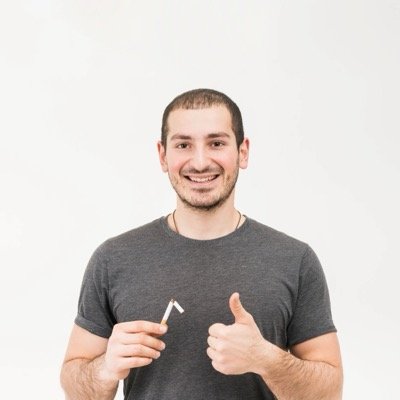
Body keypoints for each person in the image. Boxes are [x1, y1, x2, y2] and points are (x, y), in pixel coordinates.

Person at [60, 88, 343, 399]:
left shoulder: (295, 260)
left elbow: (330, 393)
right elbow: (75, 387)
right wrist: (106, 368)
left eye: (216, 143)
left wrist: (266, 358)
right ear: (162, 155)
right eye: (183, 144)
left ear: (243, 152)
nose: (199, 161)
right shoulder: (113, 260)